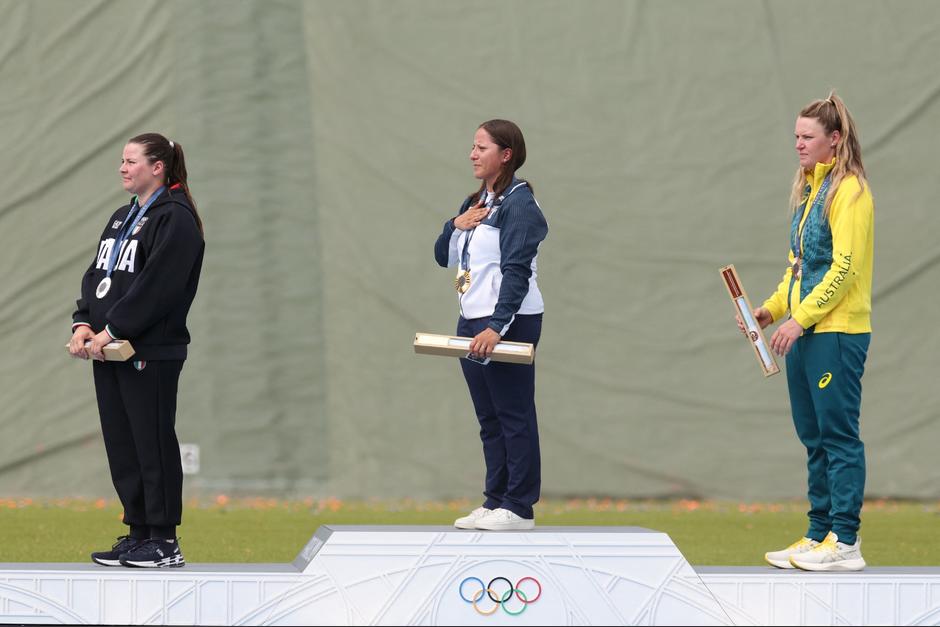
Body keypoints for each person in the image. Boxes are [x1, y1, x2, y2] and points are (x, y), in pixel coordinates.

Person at [744, 92, 874, 571]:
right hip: (803, 334)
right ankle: (819, 533)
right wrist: (772, 311)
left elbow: (845, 269)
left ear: (834, 140)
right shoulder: (809, 190)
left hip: (835, 334)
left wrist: (801, 320)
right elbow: (799, 267)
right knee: (814, 438)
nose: (798, 144)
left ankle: (846, 542)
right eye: (796, 136)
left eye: (808, 137)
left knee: (839, 437)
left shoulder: (851, 192)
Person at [68, 133, 205, 568]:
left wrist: (112, 329)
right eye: (122, 161)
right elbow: (98, 275)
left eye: (131, 161)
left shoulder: (176, 219)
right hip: (110, 350)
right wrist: (84, 322)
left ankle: (164, 541)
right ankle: (139, 531)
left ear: (157, 167)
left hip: (151, 351)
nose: (123, 168)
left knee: (152, 441)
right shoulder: (120, 218)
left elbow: (158, 287)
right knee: (123, 444)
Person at [434, 119, 548, 531]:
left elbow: (515, 272)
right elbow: (442, 256)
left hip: (509, 322)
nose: (472, 154)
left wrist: (497, 326)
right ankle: (495, 498)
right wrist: (453, 225)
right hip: (472, 320)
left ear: (506, 155)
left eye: (481, 147)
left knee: (513, 412)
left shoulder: (520, 205)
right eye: (472, 146)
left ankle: (519, 506)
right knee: (489, 417)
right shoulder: (476, 202)